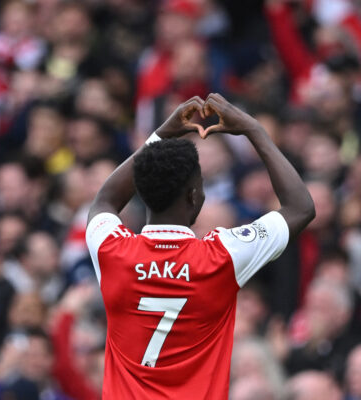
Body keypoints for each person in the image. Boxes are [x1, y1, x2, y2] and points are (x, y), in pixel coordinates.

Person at [85, 93, 315, 398]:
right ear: (194, 195)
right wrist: (254, 131)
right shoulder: (222, 256)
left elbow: (105, 200)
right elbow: (300, 208)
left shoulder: (112, 251)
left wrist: (163, 134)